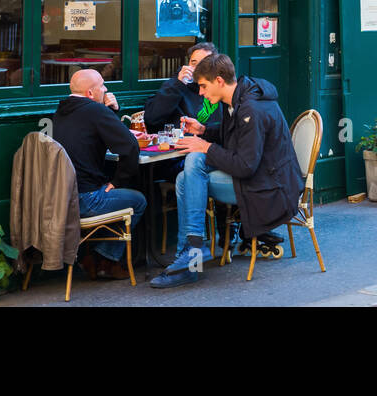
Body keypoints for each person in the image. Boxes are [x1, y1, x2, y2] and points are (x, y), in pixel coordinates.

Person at [150, 52, 303, 288]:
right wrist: (203, 131)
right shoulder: (242, 97)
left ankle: (192, 253)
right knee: (186, 174)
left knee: (189, 171)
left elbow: (245, 165)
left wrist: (206, 147)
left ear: (219, 81)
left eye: (203, 86)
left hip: (269, 188)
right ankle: (192, 251)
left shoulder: (251, 109)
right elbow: (232, 137)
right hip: (264, 178)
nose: (200, 93)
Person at [50, 69, 146, 280]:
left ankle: (92, 258)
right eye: (102, 85)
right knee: (138, 200)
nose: (106, 89)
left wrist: (109, 111)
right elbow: (130, 147)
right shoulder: (95, 111)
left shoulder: (61, 111)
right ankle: (106, 260)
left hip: (61, 199)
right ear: (90, 93)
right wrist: (118, 181)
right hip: (86, 200)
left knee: (110, 192)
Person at [143, 41, 223, 133]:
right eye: (193, 62)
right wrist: (178, 84)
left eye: (203, 64)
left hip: (210, 144)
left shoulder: (220, 87)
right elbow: (152, 118)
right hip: (182, 143)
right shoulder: (176, 84)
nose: (197, 68)